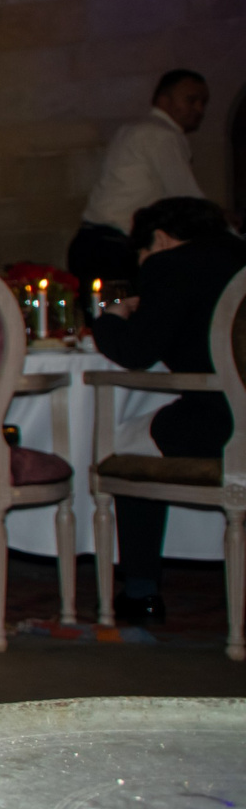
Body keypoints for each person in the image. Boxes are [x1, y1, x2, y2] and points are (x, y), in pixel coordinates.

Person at [89, 196, 246, 627]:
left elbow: (136, 351)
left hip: (222, 423)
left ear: (158, 238)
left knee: (127, 446)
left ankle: (141, 592)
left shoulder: (172, 264)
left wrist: (112, 318)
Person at [71, 69, 210, 286]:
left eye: (203, 102)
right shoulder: (161, 134)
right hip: (115, 246)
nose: (199, 109)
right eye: (191, 100)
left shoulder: (134, 129)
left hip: (90, 241)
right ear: (163, 100)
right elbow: (186, 197)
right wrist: (224, 227)